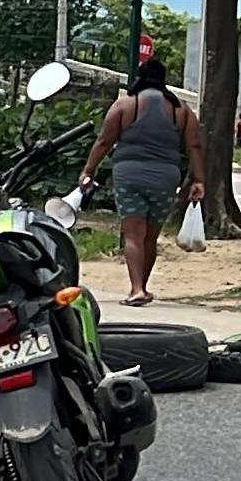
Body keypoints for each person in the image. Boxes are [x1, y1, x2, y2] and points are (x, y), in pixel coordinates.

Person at [79, 53, 203, 306]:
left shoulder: (125, 105)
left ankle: (136, 289)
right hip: (166, 178)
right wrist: (198, 180)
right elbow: (194, 146)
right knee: (150, 237)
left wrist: (88, 171)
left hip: (129, 175)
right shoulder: (182, 110)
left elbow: (104, 141)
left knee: (133, 235)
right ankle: (143, 286)